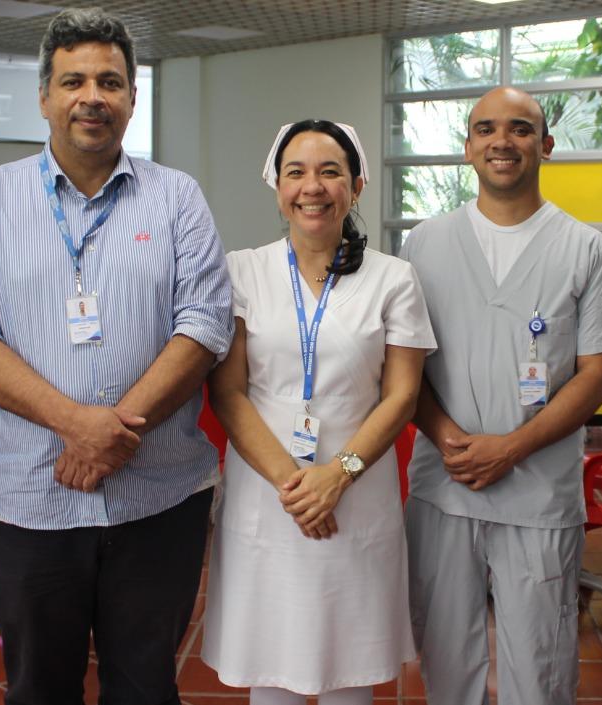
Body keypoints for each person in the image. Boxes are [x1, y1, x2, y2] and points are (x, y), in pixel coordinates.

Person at [0, 8, 233, 705]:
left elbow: (205, 323)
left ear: (132, 97)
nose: (91, 96)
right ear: (44, 97)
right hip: (32, 500)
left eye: (109, 81)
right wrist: (77, 424)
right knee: (39, 686)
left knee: (145, 687)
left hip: (158, 497)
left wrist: (114, 430)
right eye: (72, 81)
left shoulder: (177, 197)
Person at [401, 86, 602, 705]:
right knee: (445, 656)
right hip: (445, 486)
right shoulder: (421, 246)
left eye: (521, 129)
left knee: (542, 663)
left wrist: (510, 448)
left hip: (537, 490)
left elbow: (596, 373)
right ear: (467, 148)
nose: (502, 142)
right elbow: (405, 368)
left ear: (546, 145)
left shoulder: (586, 249)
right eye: (486, 129)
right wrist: (452, 440)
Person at [200, 119, 436, 705]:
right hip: (269, 494)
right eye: (296, 172)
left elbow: (401, 395)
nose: (313, 186)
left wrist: (337, 475)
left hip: (355, 496)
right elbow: (228, 392)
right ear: (277, 187)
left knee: (349, 672)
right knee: (271, 668)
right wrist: (296, 484)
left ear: (355, 187)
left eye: (330, 172)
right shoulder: (242, 270)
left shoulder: (393, 278)